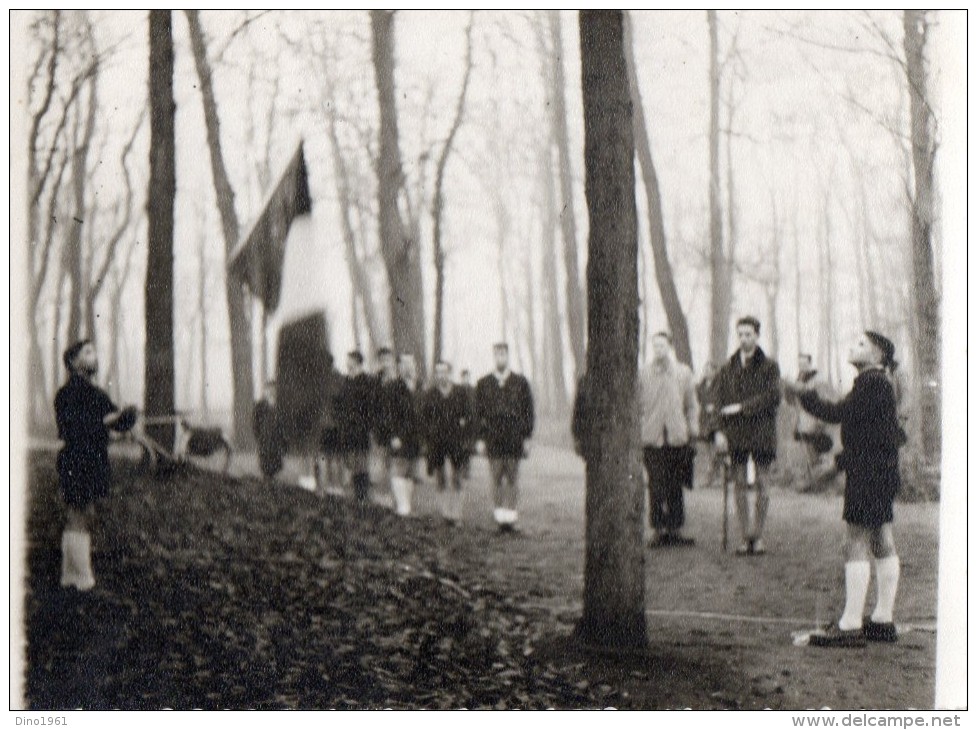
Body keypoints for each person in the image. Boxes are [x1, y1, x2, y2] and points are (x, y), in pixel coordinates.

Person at [789, 331, 903, 647]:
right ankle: (882, 620)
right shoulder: (872, 383)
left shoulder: (873, 384)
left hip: (869, 472)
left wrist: (836, 465)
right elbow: (838, 413)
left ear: (878, 355)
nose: (853, 346)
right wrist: (804, 394)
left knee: (854, 540)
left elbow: (864, 436)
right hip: (879, 472)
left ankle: (851, 625)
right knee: (881, 538)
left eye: (862, 344)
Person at [54, 339, 138, 591]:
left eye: (94, 351)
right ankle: (82, 578)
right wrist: (109, 424)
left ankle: (70, 575)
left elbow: (112, 420)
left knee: (79, 515)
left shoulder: (97, 394)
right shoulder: (67, 395)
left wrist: (124, 421)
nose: (94, 357)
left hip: (91, 460)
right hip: (77, 459)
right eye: (88, 352)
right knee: (80, 514)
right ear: (74, 362)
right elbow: (76, 428)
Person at [713, 316, 782, 556]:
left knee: (763, 484)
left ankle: (758, 536)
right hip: (737, 434)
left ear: (757, 336)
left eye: (748, 334)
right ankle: (745, 537)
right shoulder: (728, 368)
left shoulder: (770, 367)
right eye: (740, 334)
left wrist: (742, 408)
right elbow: (718, 401)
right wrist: (719, 431)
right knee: (739, 484)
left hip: (762, 433)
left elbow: (773, 397)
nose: (744, 339)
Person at [638, 332, 699, 547]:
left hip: (676, 436)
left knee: (675, 483)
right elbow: (637, 406)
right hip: (652, 437)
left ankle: (675, 528)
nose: (658, 351)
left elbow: (691, 405)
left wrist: (693, 431)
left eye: (662, 346)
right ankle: (658, 528)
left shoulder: (683, 373)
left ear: (670, 347)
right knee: (655, 484)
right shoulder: (643, 374)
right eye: (655, 347)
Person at [475, 343, 535, 533]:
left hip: (514, 439)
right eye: (497, 354)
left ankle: (510, 518)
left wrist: (527, 438)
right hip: (493, 439)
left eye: (503, 354)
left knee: (512, 478)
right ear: (494, 357)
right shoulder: (484, 383)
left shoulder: (520, 382)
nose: (500, 358)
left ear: (508, 356)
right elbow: (477, 414)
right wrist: (480, 439)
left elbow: (529, 412)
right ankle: (500, 518)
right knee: (496, 478)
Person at [422, 360, 474, 524]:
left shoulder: (460, 392)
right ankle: (446, 512)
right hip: (436, 440)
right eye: (438, 372)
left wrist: (465, 432)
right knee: (440, 477)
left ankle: (456, 513)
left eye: (444, 372)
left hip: (456, 440)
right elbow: (423, 418)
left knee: (457, 477)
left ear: (450, 373)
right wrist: (427, 436)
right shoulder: (430, 394)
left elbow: (470, 415)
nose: (441, 375)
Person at [384, 353, 423, 516]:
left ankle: (407, 505)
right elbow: (388, 414)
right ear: (399, 366)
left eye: (411, 362)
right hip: (399, 436)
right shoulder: (393, 387)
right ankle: (402, 505)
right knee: (399, 469)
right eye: (404, 362)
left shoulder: (419, 386)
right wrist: (393, 436)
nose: (408, 366)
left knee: (411, 472)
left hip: (415, 437)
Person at [786, 354, 834, 482]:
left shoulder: (817, 379)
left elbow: (823, 398)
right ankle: (809, 477)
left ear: (810, 363)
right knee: (805, 446)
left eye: (804, 363)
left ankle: (820, 477)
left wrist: (820, 420)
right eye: (800, 364)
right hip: (800, 418)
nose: (802, 366)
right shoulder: (799, 379)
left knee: (816, 445)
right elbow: (793, 401)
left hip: (814, 417)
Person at [335, 351, 375, 503]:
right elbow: (340, 405)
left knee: (361, 463)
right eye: (347, 361)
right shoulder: (346, 382)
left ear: (358, 363)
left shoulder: (366, 381)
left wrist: (367, 425)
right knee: (350, 462)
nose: (348, 364)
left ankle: (363, 495)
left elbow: (370, 407)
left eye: (350, 361)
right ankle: (355, 495)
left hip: (361, 429)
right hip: (347, 429)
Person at [253, 381, 285, 480]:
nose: (272, 392)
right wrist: (259, 435)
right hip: (264, 438)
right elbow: (255, 422)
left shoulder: (280, 405)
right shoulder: (260, 406)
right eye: (269, 389)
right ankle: (266, 477)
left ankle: (273, 476)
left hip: (275, 439)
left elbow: (282, 423)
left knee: (275, 459)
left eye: (274, 390)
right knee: (265, 459)